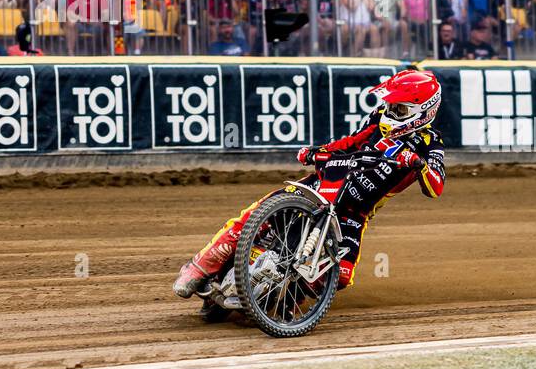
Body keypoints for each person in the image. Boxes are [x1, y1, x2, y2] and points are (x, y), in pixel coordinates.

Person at [173, 70, 447, 305]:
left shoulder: (430, 143)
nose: (390, 112)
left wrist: (419, 164)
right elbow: (352, 142)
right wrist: (319, 151)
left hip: (353, 212)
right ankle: (198, 269)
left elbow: (436, 187)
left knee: (340, 275)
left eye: (398, 109)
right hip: (325, 184)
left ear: (422, 111)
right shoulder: (378, 118)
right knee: (256, 215)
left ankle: (283, 305)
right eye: (390, 106)